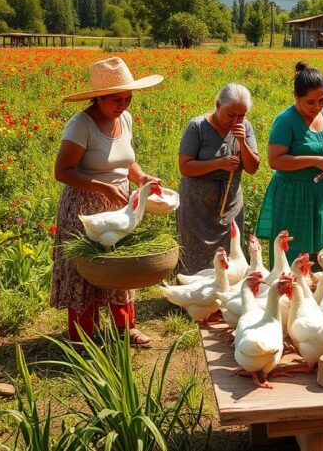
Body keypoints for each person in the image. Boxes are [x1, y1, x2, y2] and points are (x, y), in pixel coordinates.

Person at [52, 57, 162, 345]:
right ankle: (84, 337)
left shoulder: (124, 119)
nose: (123, 105)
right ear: (98, 98)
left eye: (128, 98)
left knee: (120, 267)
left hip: (120, 205)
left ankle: (126, 327)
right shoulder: (81, 126)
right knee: (87, 270)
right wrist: (101, 187)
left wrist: (142, 179)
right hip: (84, 206)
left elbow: (128, 161)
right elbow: (62, 171)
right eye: (116, 99)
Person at [256, 62, 323, 264]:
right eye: (310, 102)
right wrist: (313, 160)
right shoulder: (286, 121)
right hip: (296, 197)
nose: (317, 107)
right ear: (296, 97)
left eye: (322, 100)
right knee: (295, 258)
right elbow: (275, 161)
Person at [177, 83, 260, 272]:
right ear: (217, 105)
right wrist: (219, 163)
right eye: (231, 115)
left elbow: (252, 167)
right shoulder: (197, 127)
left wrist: (242, 142)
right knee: (194, 253)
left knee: (230, 254)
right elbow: (185, 167)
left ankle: (225, 298)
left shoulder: (245, 128)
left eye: (242, 115)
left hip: (230, 204)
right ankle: (191, 298)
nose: (236, 120)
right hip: (196, 206)